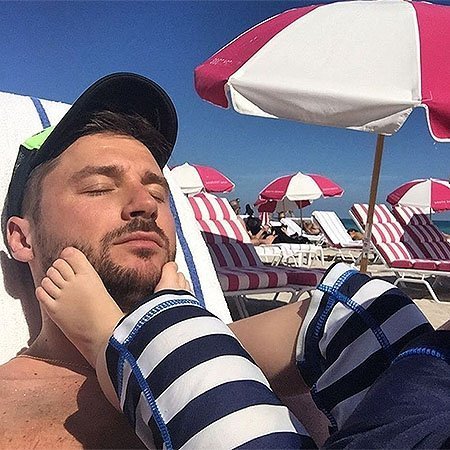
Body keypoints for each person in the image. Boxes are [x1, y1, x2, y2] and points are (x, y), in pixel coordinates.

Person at [1, 73, 448, 448]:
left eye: (158, 192)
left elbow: (359, 320)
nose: (145, 204)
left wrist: (167, 332)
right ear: (22, 238)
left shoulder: (238, 352)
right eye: (99, 187)